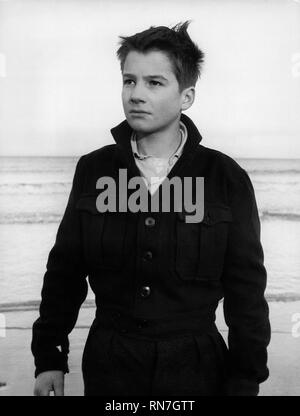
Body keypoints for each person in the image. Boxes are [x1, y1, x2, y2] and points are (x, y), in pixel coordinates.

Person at [32, 21, 271, 396]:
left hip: (197, 367)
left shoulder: (226, 178)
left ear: (186, 96)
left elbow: (247, 293)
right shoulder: (93, 170)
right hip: (110, 364)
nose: (136, 94)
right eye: (129, 81)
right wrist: (48, 357)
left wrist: (245, 379)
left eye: (154, 83)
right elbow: (65, 272)